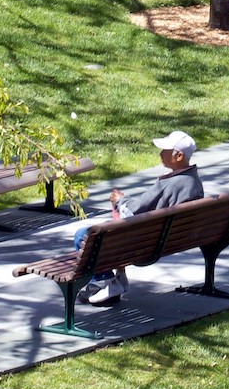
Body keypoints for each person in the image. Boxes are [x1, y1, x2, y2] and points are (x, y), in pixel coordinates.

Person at [73, 130, 203, 305]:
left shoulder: (168, 184)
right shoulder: (193, 181)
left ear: (179, 156)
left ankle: (106, 281)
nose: (160, 154)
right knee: (103, 234)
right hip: (169, 239)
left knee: (85, 235)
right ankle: (116, 279)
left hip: (143, 242)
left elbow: (134, 210)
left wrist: (120, 200)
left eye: (164, 150)